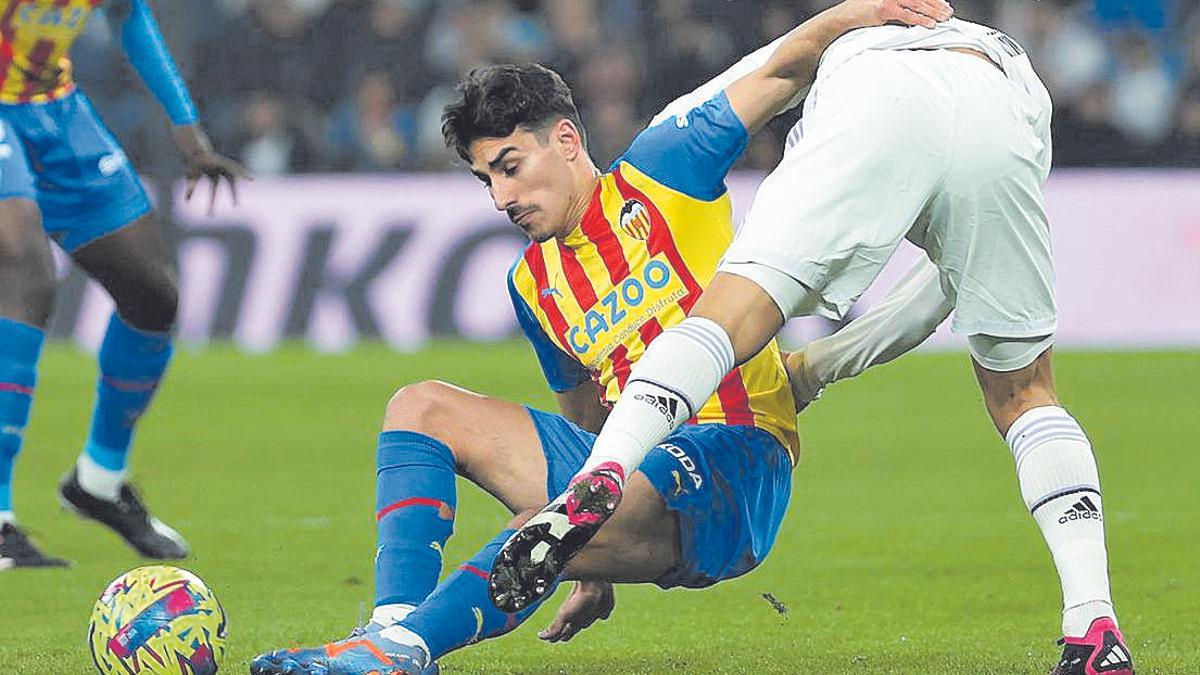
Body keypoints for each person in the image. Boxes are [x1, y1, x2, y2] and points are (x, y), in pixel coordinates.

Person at [247, 2, 950, 673]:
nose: (501, 198)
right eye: (485, 178)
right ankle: (388, 632)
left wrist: (853, 13)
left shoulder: (665, 170)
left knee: (540, 524)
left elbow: (781, 72)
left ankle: (406, 648)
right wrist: (588, 556)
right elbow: (588, 418)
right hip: (624, 471)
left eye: (511, 166)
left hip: (736, 455)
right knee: (420, 406)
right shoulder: (534, 282)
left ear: (567, 139)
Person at [497, 9, 1136, 675]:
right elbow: (937, 294)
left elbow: (786, 61)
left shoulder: (803, 69)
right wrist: (816, 372)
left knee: (726, 316)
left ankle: (606, 468)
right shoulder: (990, 75)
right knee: (1025, 393)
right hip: (1003, 98)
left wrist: (845, 16)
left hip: (873, 84)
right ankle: (1094, 625)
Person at [0, 0, 247, 568]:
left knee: (152, 295)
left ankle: (100, 479)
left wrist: (188, 132)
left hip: (56, 111)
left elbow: (129, 15)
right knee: (27, 277)